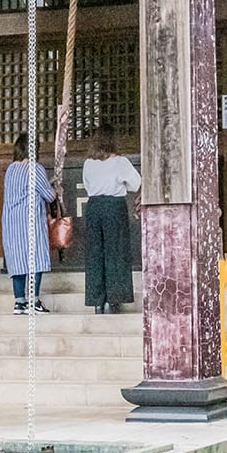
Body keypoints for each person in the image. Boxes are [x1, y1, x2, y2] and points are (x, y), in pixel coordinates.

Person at [80, 125, 139, 313]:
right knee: (116, 252)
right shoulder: (120, 162)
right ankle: (114, 298)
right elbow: (136, 183)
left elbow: (88, 186)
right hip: (114, 206)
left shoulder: (89, 163)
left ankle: (97, 300)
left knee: (95, 253)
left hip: (94, 206)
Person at [0, 133, 53, 315]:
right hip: (30, 221)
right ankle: (34, 300)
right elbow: (49, 195)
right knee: (35, 259)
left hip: (11, 221)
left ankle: (19, 302)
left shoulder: (10, 169)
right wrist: (54, 186)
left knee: (18, 262)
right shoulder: (35, 168)